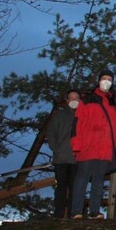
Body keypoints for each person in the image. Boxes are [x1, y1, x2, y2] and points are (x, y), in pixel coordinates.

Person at [71, 70, 116, 220]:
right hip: (88, 144)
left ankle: (94, 211)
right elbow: (78, 122)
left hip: (105, 146)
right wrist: (76, 143)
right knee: (82, 176)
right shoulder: (87, 99)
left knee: (99, 178)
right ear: (98, 80)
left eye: (109, 79)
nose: (106, 81)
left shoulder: (115, 103)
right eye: (104, 78)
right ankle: (76, 210)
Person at [46, 89, 81, 218]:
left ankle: (74, 213)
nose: (74, 101)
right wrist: (56, 149)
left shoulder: (83, 115)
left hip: (77, 158)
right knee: (60, 187)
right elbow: (50, 133)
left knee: (75, 188)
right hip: (61, 158)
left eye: (76, 98)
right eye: (71, 98)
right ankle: (58, 214)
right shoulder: (59, 115)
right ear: (67, 100)